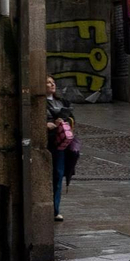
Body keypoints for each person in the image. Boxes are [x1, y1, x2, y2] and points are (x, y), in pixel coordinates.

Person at [45, 76, 77, 222]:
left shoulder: (62, 102)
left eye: (53, 83)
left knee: (58, 174)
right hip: (47, 141)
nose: (52, 85)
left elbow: (72, 119)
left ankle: (55, 209)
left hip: (60, 143)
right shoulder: (40, 103)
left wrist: (64, 121)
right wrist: (49, 124)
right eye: (48, 82)